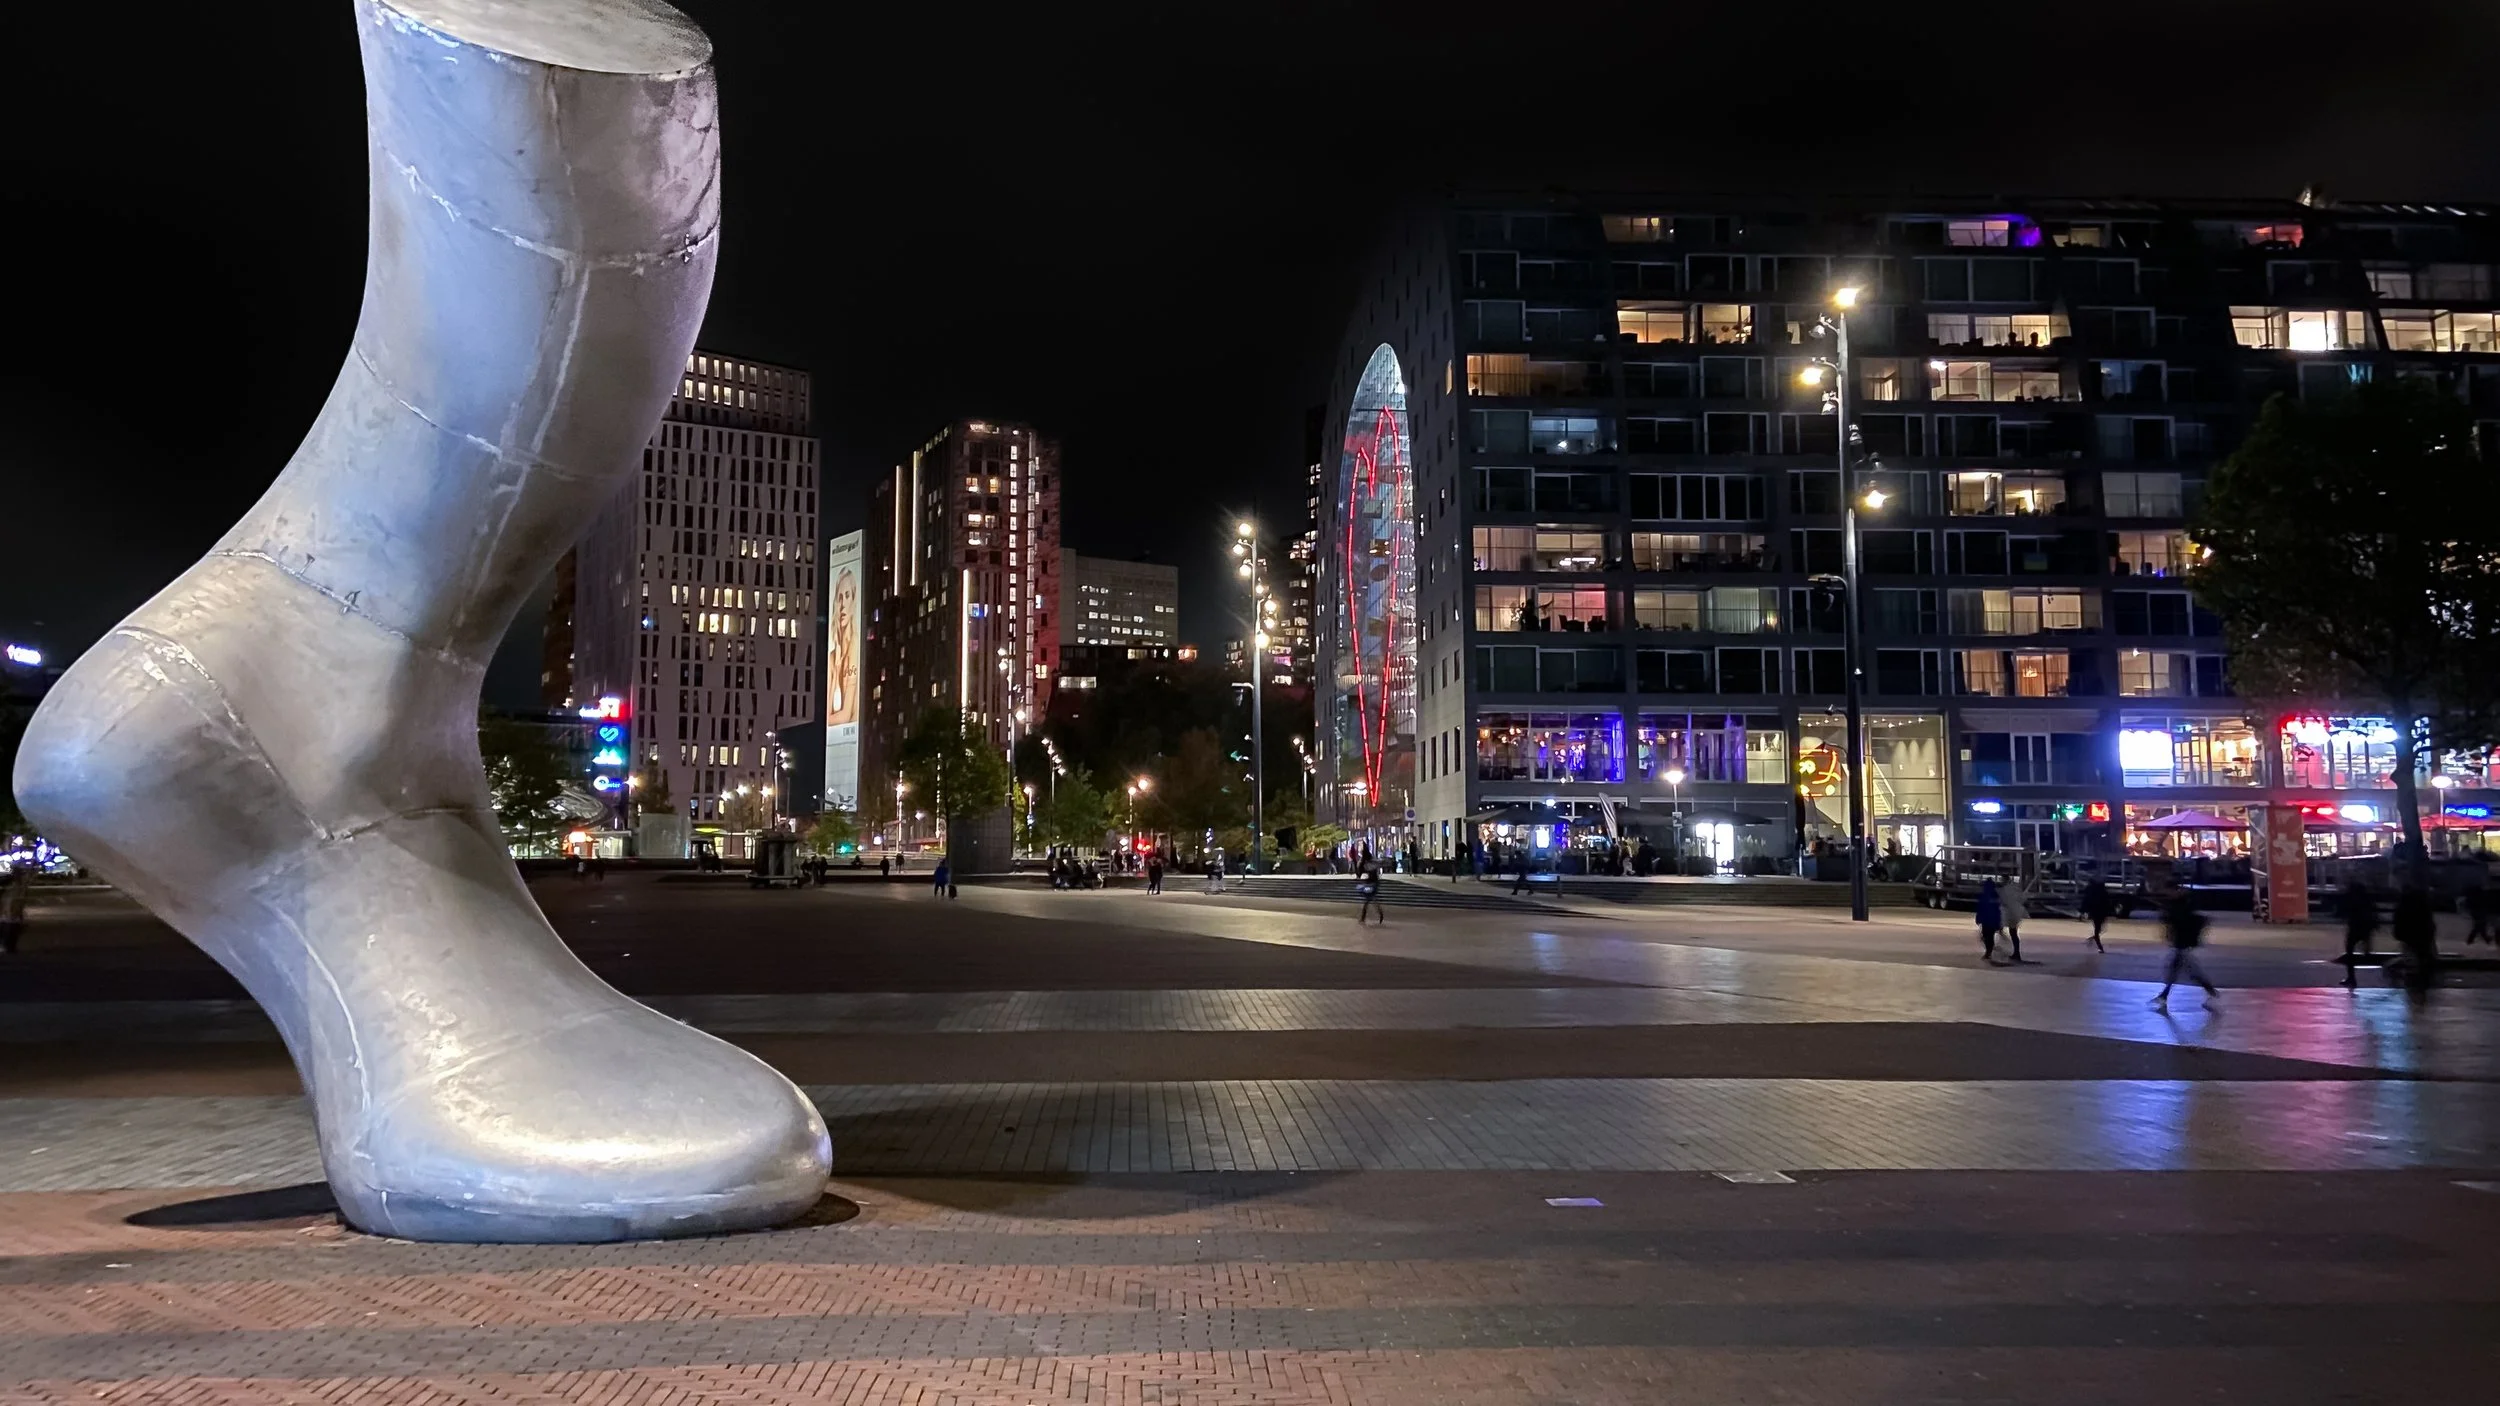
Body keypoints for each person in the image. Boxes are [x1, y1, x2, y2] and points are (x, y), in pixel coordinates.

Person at [2152, 893, 2218, 1010]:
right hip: (2182, 947)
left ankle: (2164, 995)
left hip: (2181, 947)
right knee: (2185, 972)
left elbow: (2172, 924)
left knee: (2181, 971)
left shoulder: (2179, 915)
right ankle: (2164, 995)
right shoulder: (2183, 914)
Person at [2392, 883, 2438, 1000]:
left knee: (2413, 957)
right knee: (2422, 958)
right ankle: (2420, 984)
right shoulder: (2422, 906)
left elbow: (2398, 920)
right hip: (2421, 935)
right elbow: (2429, 923)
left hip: (2410, 936)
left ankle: (2414, 983)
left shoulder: (2403, 905)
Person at [2340, 879, 2378, 988]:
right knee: (2363, 951)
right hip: (2365, 927)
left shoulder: (2352, 898)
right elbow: (2372, 913)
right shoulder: (2366, 898)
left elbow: (2345, 911)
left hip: (2355, 927)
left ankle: (2351, 978)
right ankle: (2367, 950)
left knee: (2349, 952)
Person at [0, 861, 29, 956]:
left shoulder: (17, 887)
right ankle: (9, 947)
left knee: (10, 931)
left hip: (11, 915)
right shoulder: (16, 887)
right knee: (10, 931)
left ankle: (9, 947)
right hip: (11, 914)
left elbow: (17, 901)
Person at [1999, 878, 2030, 964]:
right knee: (2013, 933)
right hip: (2015, 914)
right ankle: (2016, 952)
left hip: (2011, 914)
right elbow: (2022, 899)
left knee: (2013, 933)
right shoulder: (2014, 889)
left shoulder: (2005, 890)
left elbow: (2004, 901)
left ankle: (2016, 953)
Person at [2080, 877, 2112, 953]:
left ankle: (2097, 943)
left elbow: (2086, 902)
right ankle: (2098, 945)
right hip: (2102, 913)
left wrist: (2083, 911)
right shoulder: (2103, 891)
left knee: (2098, 930)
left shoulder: (2091, 892)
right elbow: (2107, 902)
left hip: (2095, 913)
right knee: (2099, 930)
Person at [1356, 855, 1387, 925]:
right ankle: (1378, 913)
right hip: (1371, 884)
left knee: (1368, 901)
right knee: (1369, 901)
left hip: (1371, 884)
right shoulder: (1370, 864)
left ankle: (1364, 917)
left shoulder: (1369, 865)